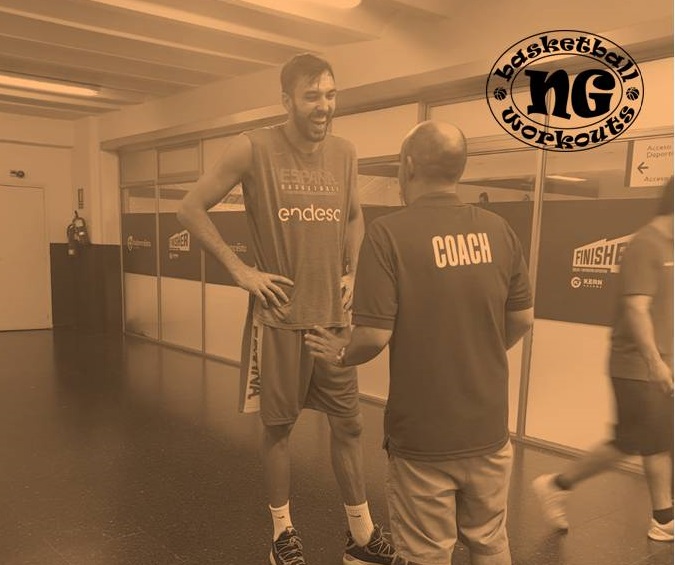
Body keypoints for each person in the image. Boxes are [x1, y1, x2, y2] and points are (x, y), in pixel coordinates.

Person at [177, 53, 403, 565]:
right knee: (279, 428)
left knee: (349, 427)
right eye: (312, 96)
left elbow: (354, 216)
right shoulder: (252, 147)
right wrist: (241, 271)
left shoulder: (344, 152)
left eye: (331, 94)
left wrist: (353, 272)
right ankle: (282, 535)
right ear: (287, 100)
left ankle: (361, 535)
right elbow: (189, 208)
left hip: (333, 323)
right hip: (279, 319)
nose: (324, 106)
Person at [304, 120, 534, 565]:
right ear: (459, 169)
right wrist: (478, 351)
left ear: (408, 165)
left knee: (427, 552)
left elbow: (373, 335)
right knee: (490, 540)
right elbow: (523, 318)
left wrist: (341, 352)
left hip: (423, 438)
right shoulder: (498, 229)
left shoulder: (388, 234)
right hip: (488, 430)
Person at [533, 176, 674, 542]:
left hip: (659, 363)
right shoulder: (646, 244)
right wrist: (655, 363)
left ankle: (661, 516)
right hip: (637, 365)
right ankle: (662, 518)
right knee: (645, 441)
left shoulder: (669, 246)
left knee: (644, 439)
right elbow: (637, 309)